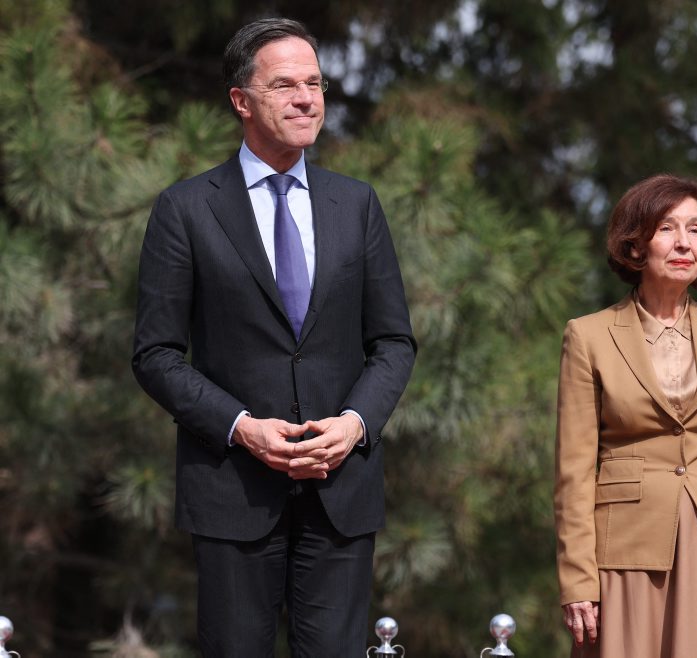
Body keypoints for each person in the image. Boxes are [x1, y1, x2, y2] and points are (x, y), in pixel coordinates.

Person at [132, 18, 416, 657]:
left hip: (341, 489)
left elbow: (394, 342)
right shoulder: (186, 209)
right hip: (233, 488)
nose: (306, 99)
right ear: (241, 100)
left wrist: (355, 424)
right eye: (285, 85)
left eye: (315, 84)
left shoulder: (357, 204)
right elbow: (155, 354)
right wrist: (241, 427)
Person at [553, 174, 697, 657]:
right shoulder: (588, 336)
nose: (684, 243)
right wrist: (578, 579)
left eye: (696, 229)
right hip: (629, 552)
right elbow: (573, 472)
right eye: (667, 228)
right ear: (635, 244)